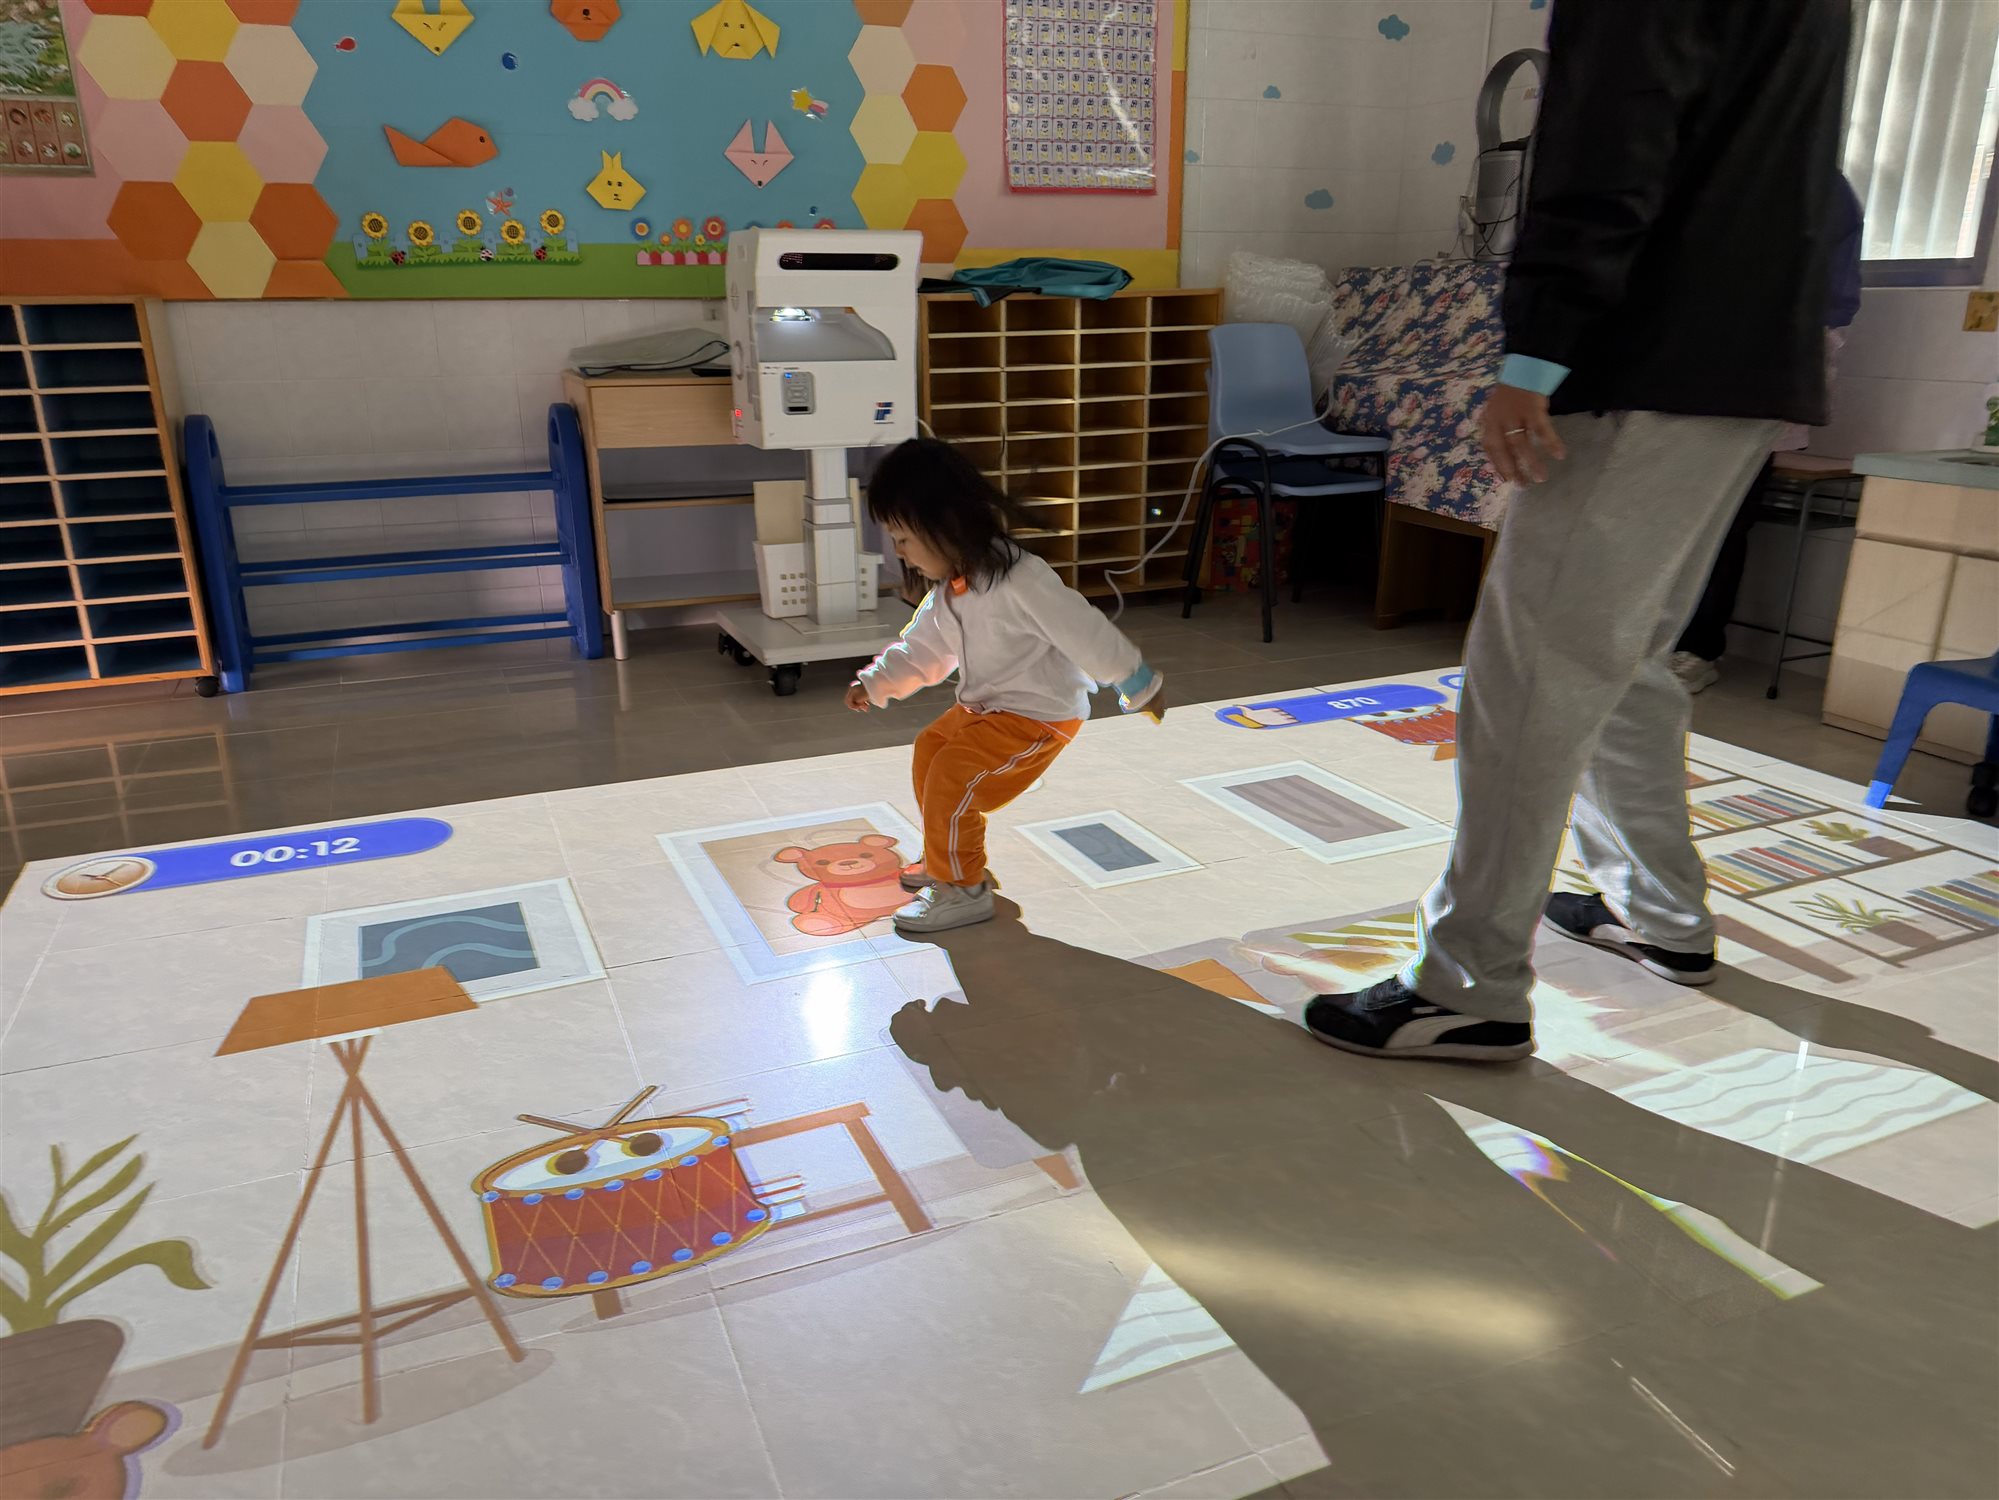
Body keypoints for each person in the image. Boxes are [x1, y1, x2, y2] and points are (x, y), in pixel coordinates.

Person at [1305, 0, 1850, 1061]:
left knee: (1532, 678)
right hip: (1749, 359)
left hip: (1647, 354)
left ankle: (1468, 985)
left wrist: (1533, 355)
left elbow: (1610, 143)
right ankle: (1659, 914)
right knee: (1622, 658)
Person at [845, 437, 1165, 935]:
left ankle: (963, 889)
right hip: (987, 709)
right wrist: (876, 682)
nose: (899, 552)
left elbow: (1085, 630)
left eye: (903, 538)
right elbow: (923, 649)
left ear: (944, 524)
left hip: (1038, 715)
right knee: (930, 748)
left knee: (953, 774)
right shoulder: (949, 589)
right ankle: (947, 858)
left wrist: (1137, 682)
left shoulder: (1020, 579)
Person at [1671, 172, 1865, 694]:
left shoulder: (1819, 188)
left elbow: (1828, 305)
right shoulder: (1719, 172)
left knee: (1721, 527)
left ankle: (1696, 649)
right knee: (1669, 523)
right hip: (1691, 378)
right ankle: (1654, 642)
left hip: (1763, 379)